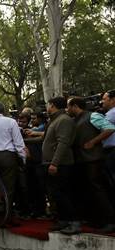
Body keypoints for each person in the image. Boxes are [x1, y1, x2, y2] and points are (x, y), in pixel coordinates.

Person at [66, 96, 115, 232]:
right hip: (81, 160)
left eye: (68, 106)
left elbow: (109, 128)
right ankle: (96, 219)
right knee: (88, 189)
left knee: (97, 189)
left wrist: (93, 142)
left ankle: (110, 220)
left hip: (93, 159)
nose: (67, 109)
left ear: (75, 106)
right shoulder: (73, 120)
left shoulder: (92, 116)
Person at [42, 96, 79, 234]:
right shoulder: (55, 120)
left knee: (64, 193)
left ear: (52, 105)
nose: (47, 107)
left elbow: (62, 143)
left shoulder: (64, 120)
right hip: (53, 163)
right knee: (56, 193)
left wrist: (54, 163)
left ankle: (74, 222)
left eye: (48, 105)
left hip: (61, 164)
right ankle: (63, 220)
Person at [101, 90, 115, 189]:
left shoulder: (112, 113)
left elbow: (105, 130)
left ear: (113, 100)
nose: (102, 102)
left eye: (104, 99)